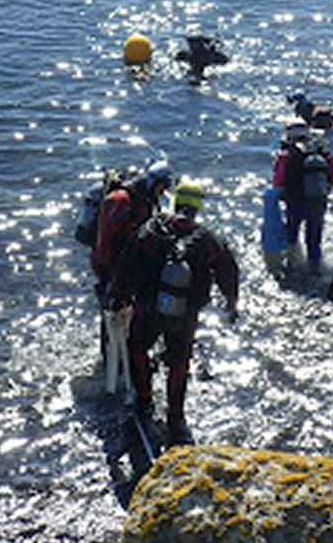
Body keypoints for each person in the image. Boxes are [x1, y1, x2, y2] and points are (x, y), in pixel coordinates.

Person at [109, 179, 239, 446]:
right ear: (198, 206)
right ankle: (176, 417)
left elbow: (128, 262)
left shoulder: (152, 229)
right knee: (179, 364)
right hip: (185, 316)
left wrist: (118, 295)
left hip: (148, 308)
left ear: (176, 200)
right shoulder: (208, 240)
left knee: (137, 349)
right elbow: (228, 272)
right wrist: (231, 303)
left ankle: (144, 401)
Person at [90, 160, 174, 308]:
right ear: (155, 182)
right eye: (163, 186)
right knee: (113, 312)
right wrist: (113, 278)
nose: (162, 192)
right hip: (111, 266)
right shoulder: (121, 200)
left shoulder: (146, 200)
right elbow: (107, 239)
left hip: (126, 265)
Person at [272, 119, 333, 274]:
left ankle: (292, 265)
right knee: (314, 239)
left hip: (295, 202)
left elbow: (278, 181)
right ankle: (315, 269)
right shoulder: (322, 153)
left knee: (292, 233)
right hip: (317, 202)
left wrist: (277, 194)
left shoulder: (286, 155)